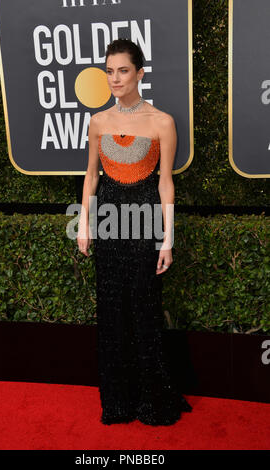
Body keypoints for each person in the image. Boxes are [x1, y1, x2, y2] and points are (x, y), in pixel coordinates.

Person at [77, 38, 192, 425]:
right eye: (109, 71)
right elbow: (91, 177)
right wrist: (83, 225)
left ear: (140, 73)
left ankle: (152, 400)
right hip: (109, 223)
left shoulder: (162, 122)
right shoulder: (98, 122)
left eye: (123, 70)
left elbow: (165, 185)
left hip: (144, 223)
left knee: (144, 311)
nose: (115, 78)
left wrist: (168, 240)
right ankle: (118, 402)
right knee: (111, 314)